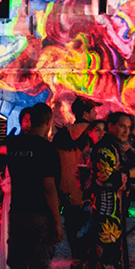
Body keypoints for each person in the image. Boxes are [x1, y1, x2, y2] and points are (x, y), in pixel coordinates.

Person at [0, 102, 62, 269]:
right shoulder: (47, 149)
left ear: (31, 121)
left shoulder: (15, 145)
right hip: (39, 215)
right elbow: (49, 186)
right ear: (49, 122)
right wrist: (57, 221)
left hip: (17, 212)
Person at [87, 112, 135, 269]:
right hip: (105, 210)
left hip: (114, 210)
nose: (125, 131)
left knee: (113, 255)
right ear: (110, 126)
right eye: (121, 126)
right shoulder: (104, 149)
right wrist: (129, 174)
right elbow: (103, 179)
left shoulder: (115, 148)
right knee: (105, 256)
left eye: (128, 127)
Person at [54, 97, 98, 259]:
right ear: (86, 113)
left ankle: (76, 263)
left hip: (67, 195)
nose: (96, 114)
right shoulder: (94, 135)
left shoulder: (61, 135)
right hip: (88, 195)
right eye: (94, 111)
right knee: (90, 236)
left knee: (73, 233)